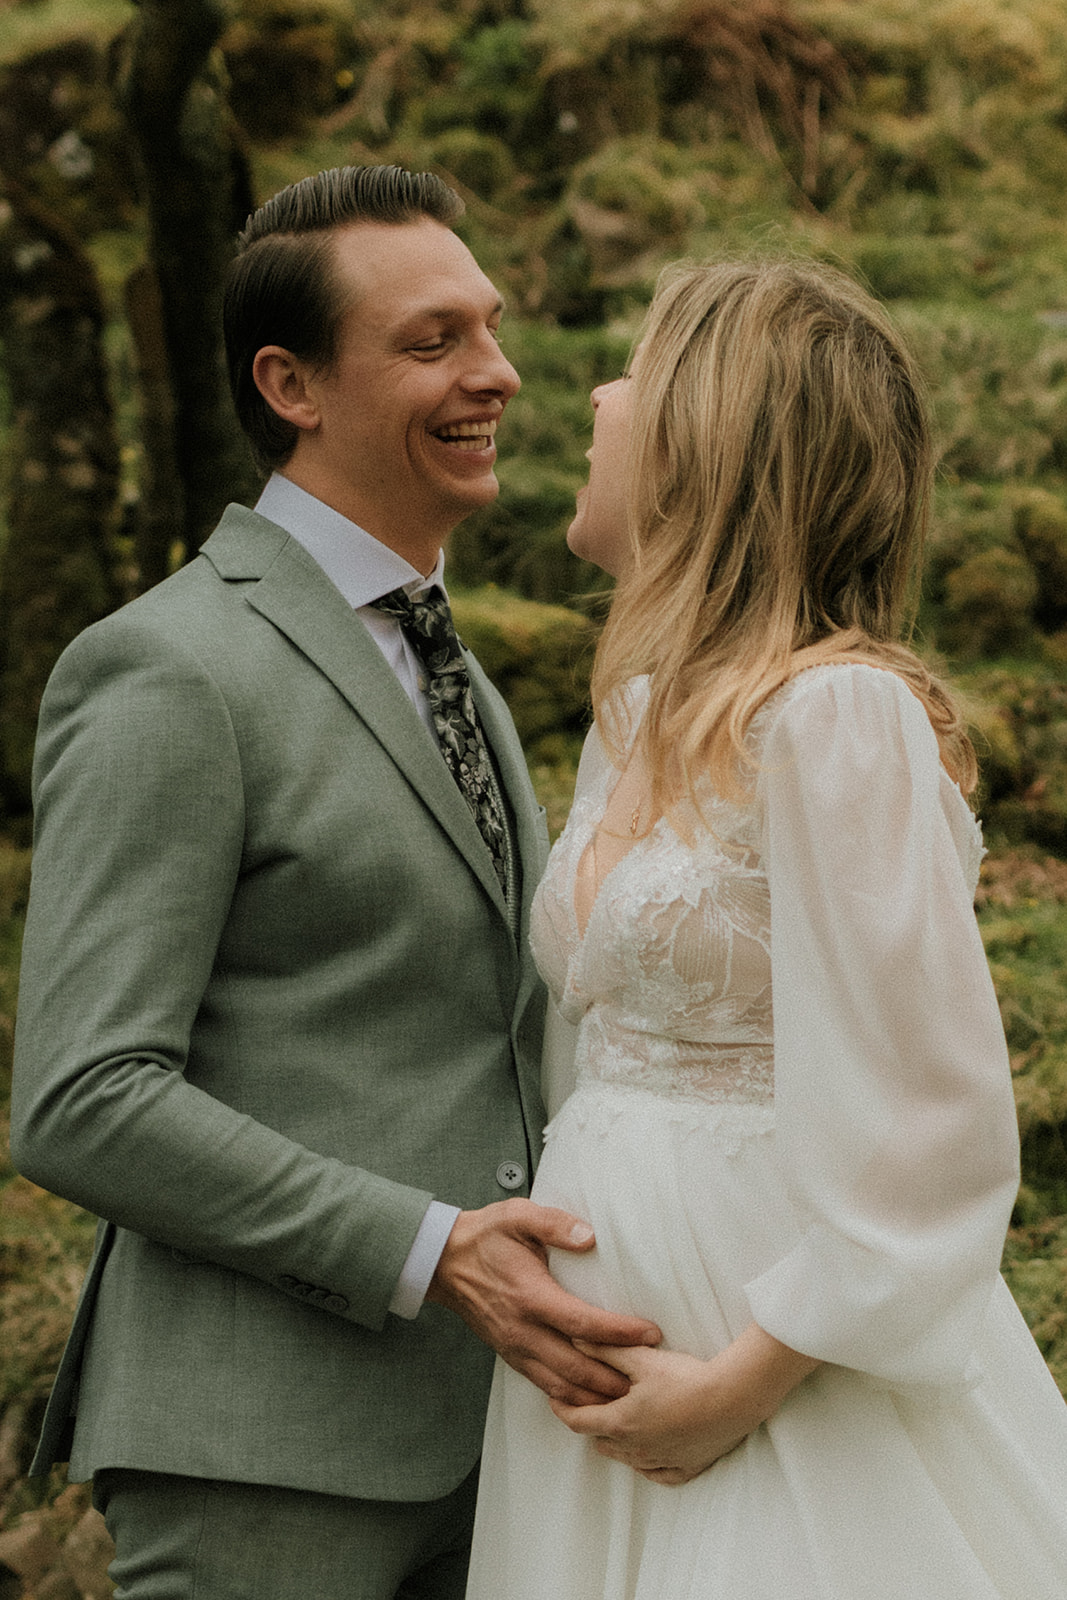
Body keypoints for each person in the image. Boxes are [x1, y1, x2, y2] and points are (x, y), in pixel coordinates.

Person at [9, 164, 660, 1600]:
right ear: (290, 385)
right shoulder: (166, 668)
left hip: (500, 1442)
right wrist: (432, 1252)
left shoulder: (454, 665)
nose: (493, 374)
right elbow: (79, 1097)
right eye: (432, 343)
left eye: (488, 330)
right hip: (260, 1451)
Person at [465, 256, 1067, 1599]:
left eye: (641, 367)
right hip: (601, 1359)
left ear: (710, 443)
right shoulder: (629, 720)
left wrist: (739, 1382)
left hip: (768, 1368)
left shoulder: (837, 722)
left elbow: (936, 1115)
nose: (602, 393)